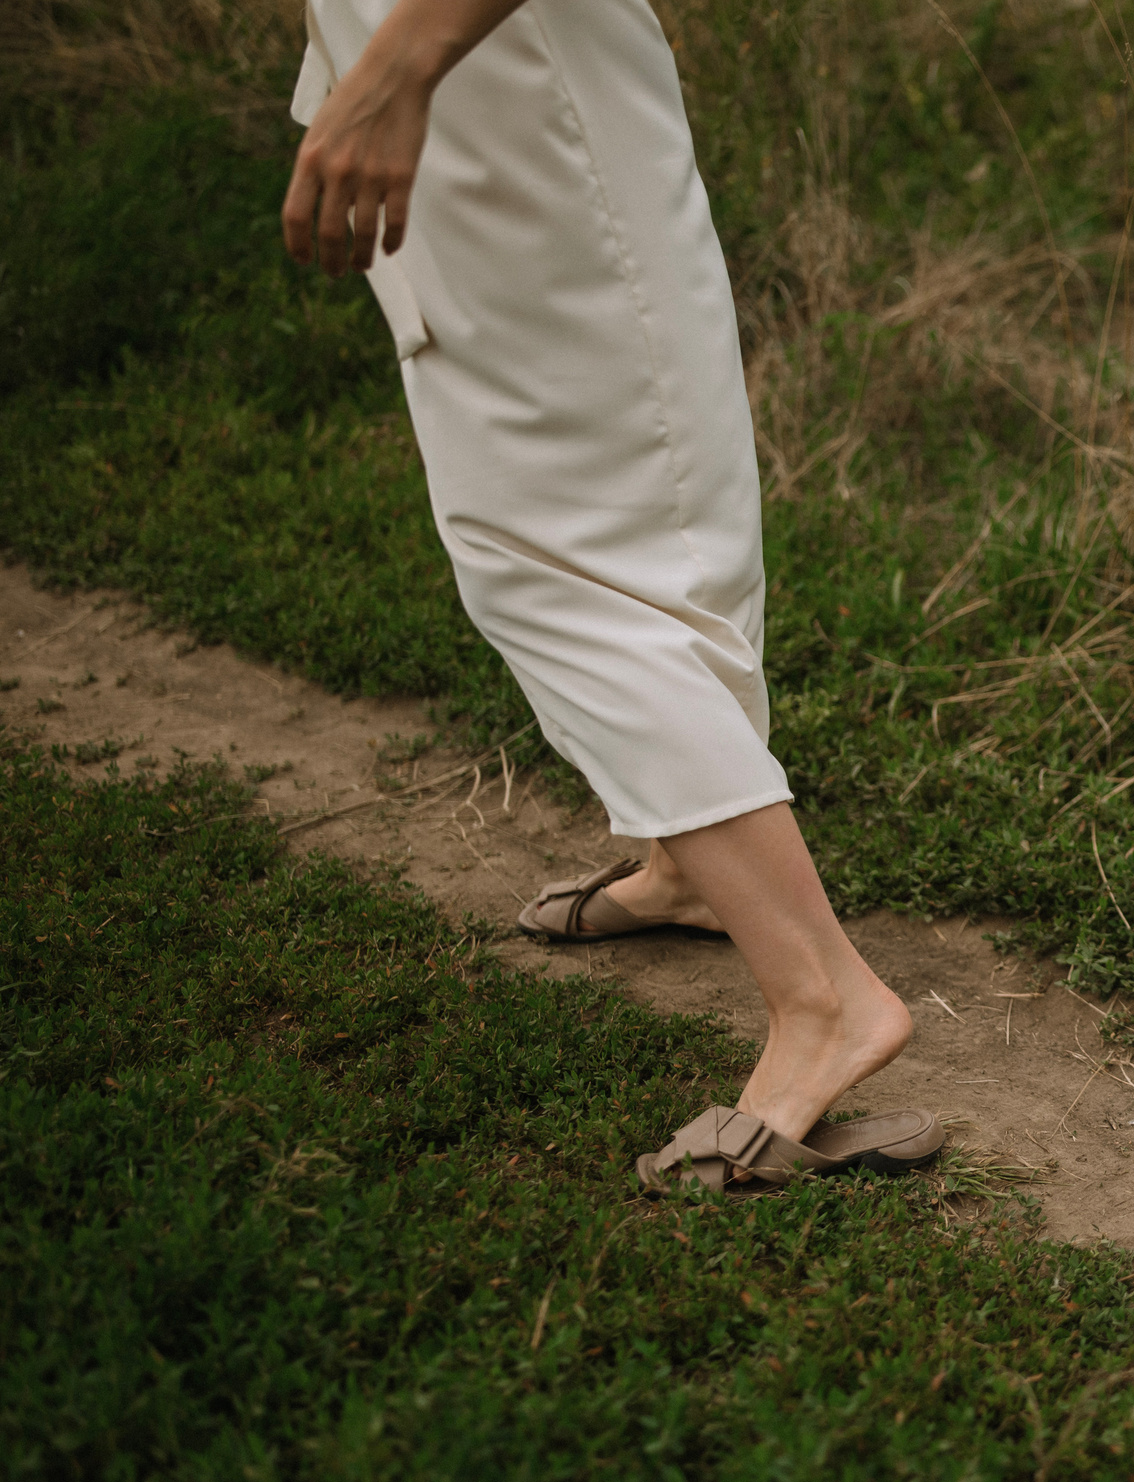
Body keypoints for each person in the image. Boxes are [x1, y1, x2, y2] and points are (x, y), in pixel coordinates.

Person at [284, 0, 939, 1191]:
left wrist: (394, 69)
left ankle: (826, 998)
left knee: (546, 560)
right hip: (480, 96)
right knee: (667, 521)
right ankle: (691, 865)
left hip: (496, 82)